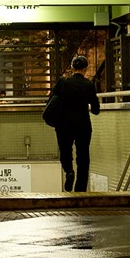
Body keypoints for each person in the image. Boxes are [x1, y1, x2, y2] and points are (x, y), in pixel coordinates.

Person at [48, 55, 100, 192]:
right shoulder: (89, 85)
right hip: (82, 125)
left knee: (65, 151)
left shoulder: (63, 82)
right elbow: (96, 110)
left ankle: (69, 172)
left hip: (63, 124)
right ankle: (80, 189)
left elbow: (51, 101)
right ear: (85, 68)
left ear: (72, 67)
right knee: (83, 155)